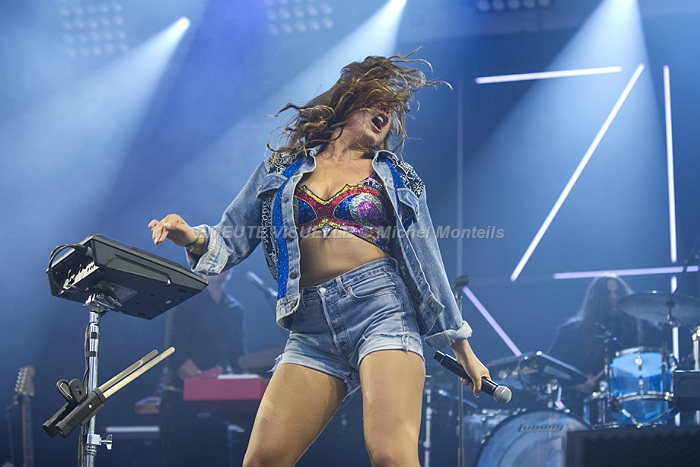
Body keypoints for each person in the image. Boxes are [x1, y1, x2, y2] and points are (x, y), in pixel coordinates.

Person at [149, 52, 490, 467]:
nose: (386, 113)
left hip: (382, 310)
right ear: (350, 100)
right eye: (379, 101)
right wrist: (189, 234)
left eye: (393, 111)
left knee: (391, 455)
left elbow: (427, 259)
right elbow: (233, 235)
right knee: (261, 461)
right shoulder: (280, 168)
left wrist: (462, 347)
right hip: (309, 325)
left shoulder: (395, 175)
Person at [158, 270, 247, 466]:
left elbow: (238, 359)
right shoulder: (185, 301)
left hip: (217, 407)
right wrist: (203, 384)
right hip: (180, 402)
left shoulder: (235, 309)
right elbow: (175, 353)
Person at [548, 275, 668, 419]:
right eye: (608, 293)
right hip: (579, 412)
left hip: (626, 412)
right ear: (596, 299)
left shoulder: (634, 332)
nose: (614, 297)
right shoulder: (572, 332)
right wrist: (577, 383)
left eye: (617, 292)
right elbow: (551, 370)